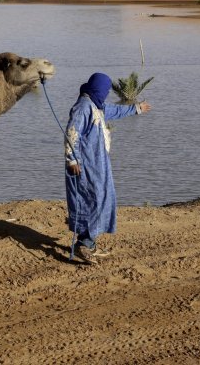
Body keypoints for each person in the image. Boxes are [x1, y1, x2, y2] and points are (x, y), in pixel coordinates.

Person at [64, 72, 151, 263]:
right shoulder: (83, 107)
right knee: (92, 199)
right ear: (98, 88)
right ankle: (83, 244)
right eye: (105, 90)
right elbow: (72, 133)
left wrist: (136, 108)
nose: (106, 94)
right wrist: (72, 159)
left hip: (98, 163)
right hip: (84, 164)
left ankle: (89, 242)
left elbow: (115, 111)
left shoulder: (97, 106)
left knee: (103, 198)